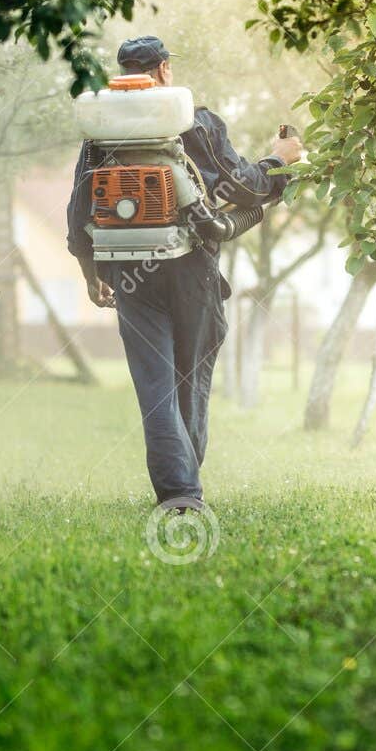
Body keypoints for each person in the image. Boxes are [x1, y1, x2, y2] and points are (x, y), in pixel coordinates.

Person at [67, 36, 303, 509]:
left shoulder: (100, 134)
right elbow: (244, 187)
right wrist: (281, 160)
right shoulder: (194, 120)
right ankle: (185, 484)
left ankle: (179, 492)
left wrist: (90, 272)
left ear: (123, 75)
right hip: (192, 264)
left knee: (154, 383)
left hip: (127, 269)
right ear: (165, 70)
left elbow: (79, 208)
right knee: (191, 377)